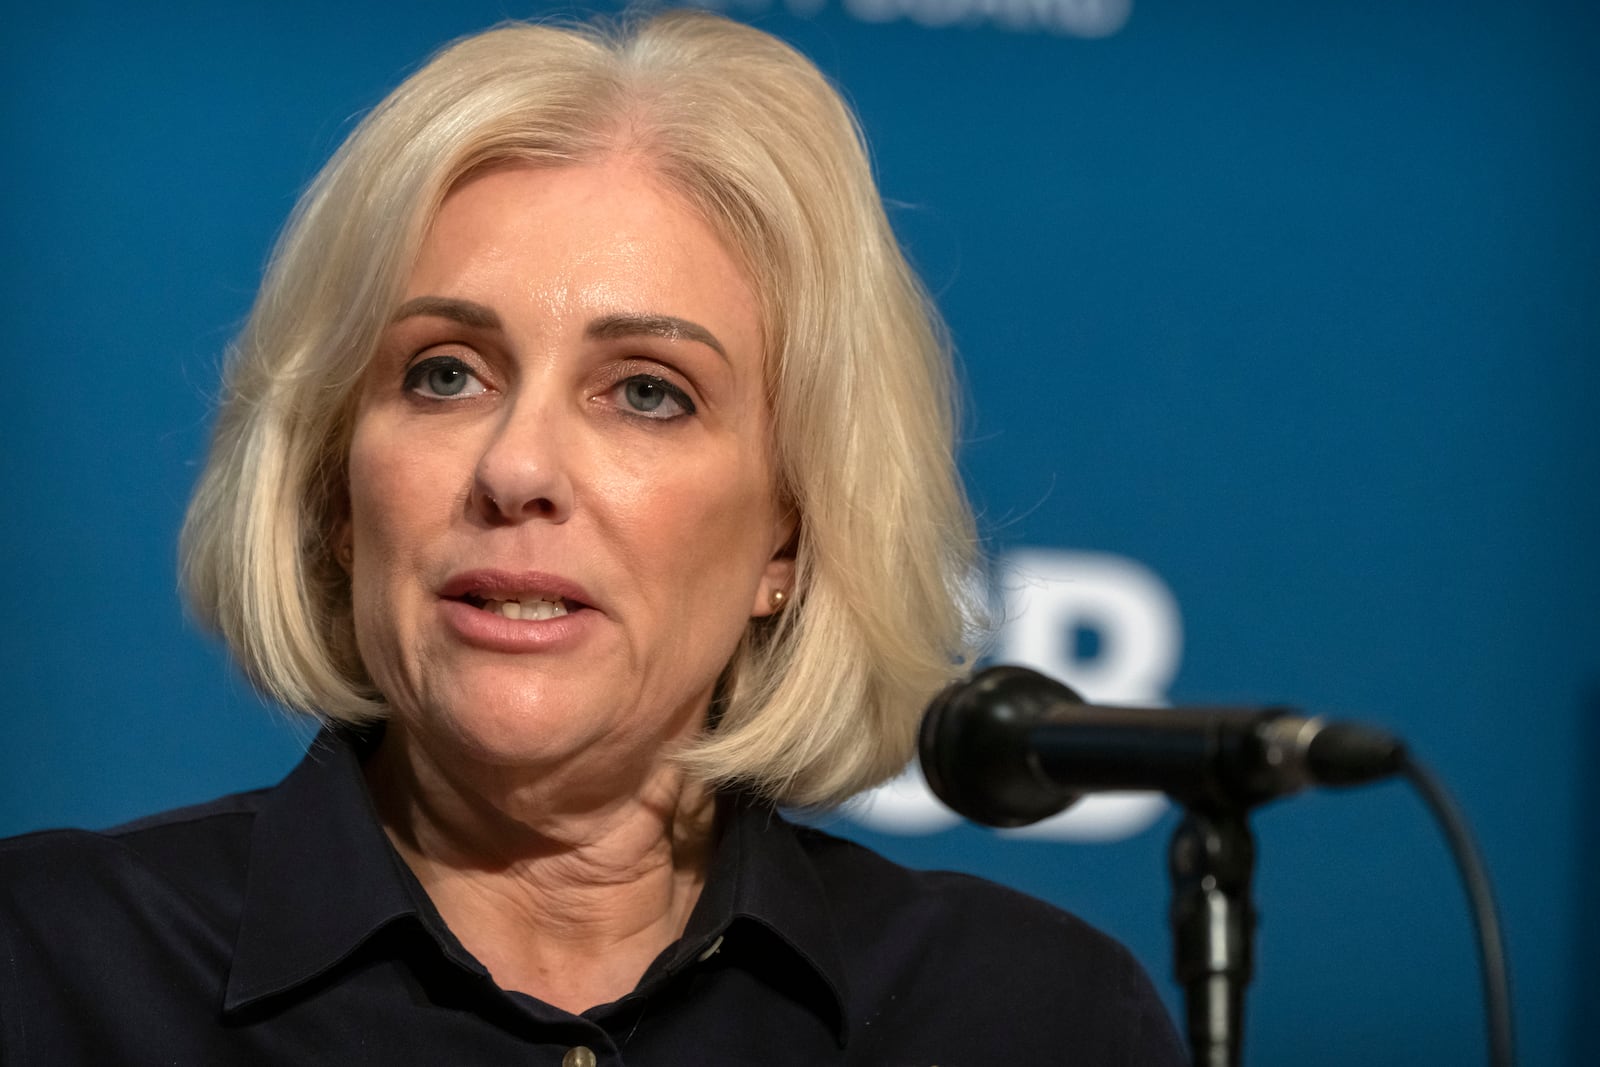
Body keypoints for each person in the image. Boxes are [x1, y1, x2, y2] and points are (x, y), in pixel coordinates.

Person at [0, 10, 1185, 1064]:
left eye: (647, 391)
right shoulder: (50, 969)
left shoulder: (1026, 1014)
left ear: (789, 530)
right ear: (332, 488)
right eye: (444, 373)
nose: (516, 468)